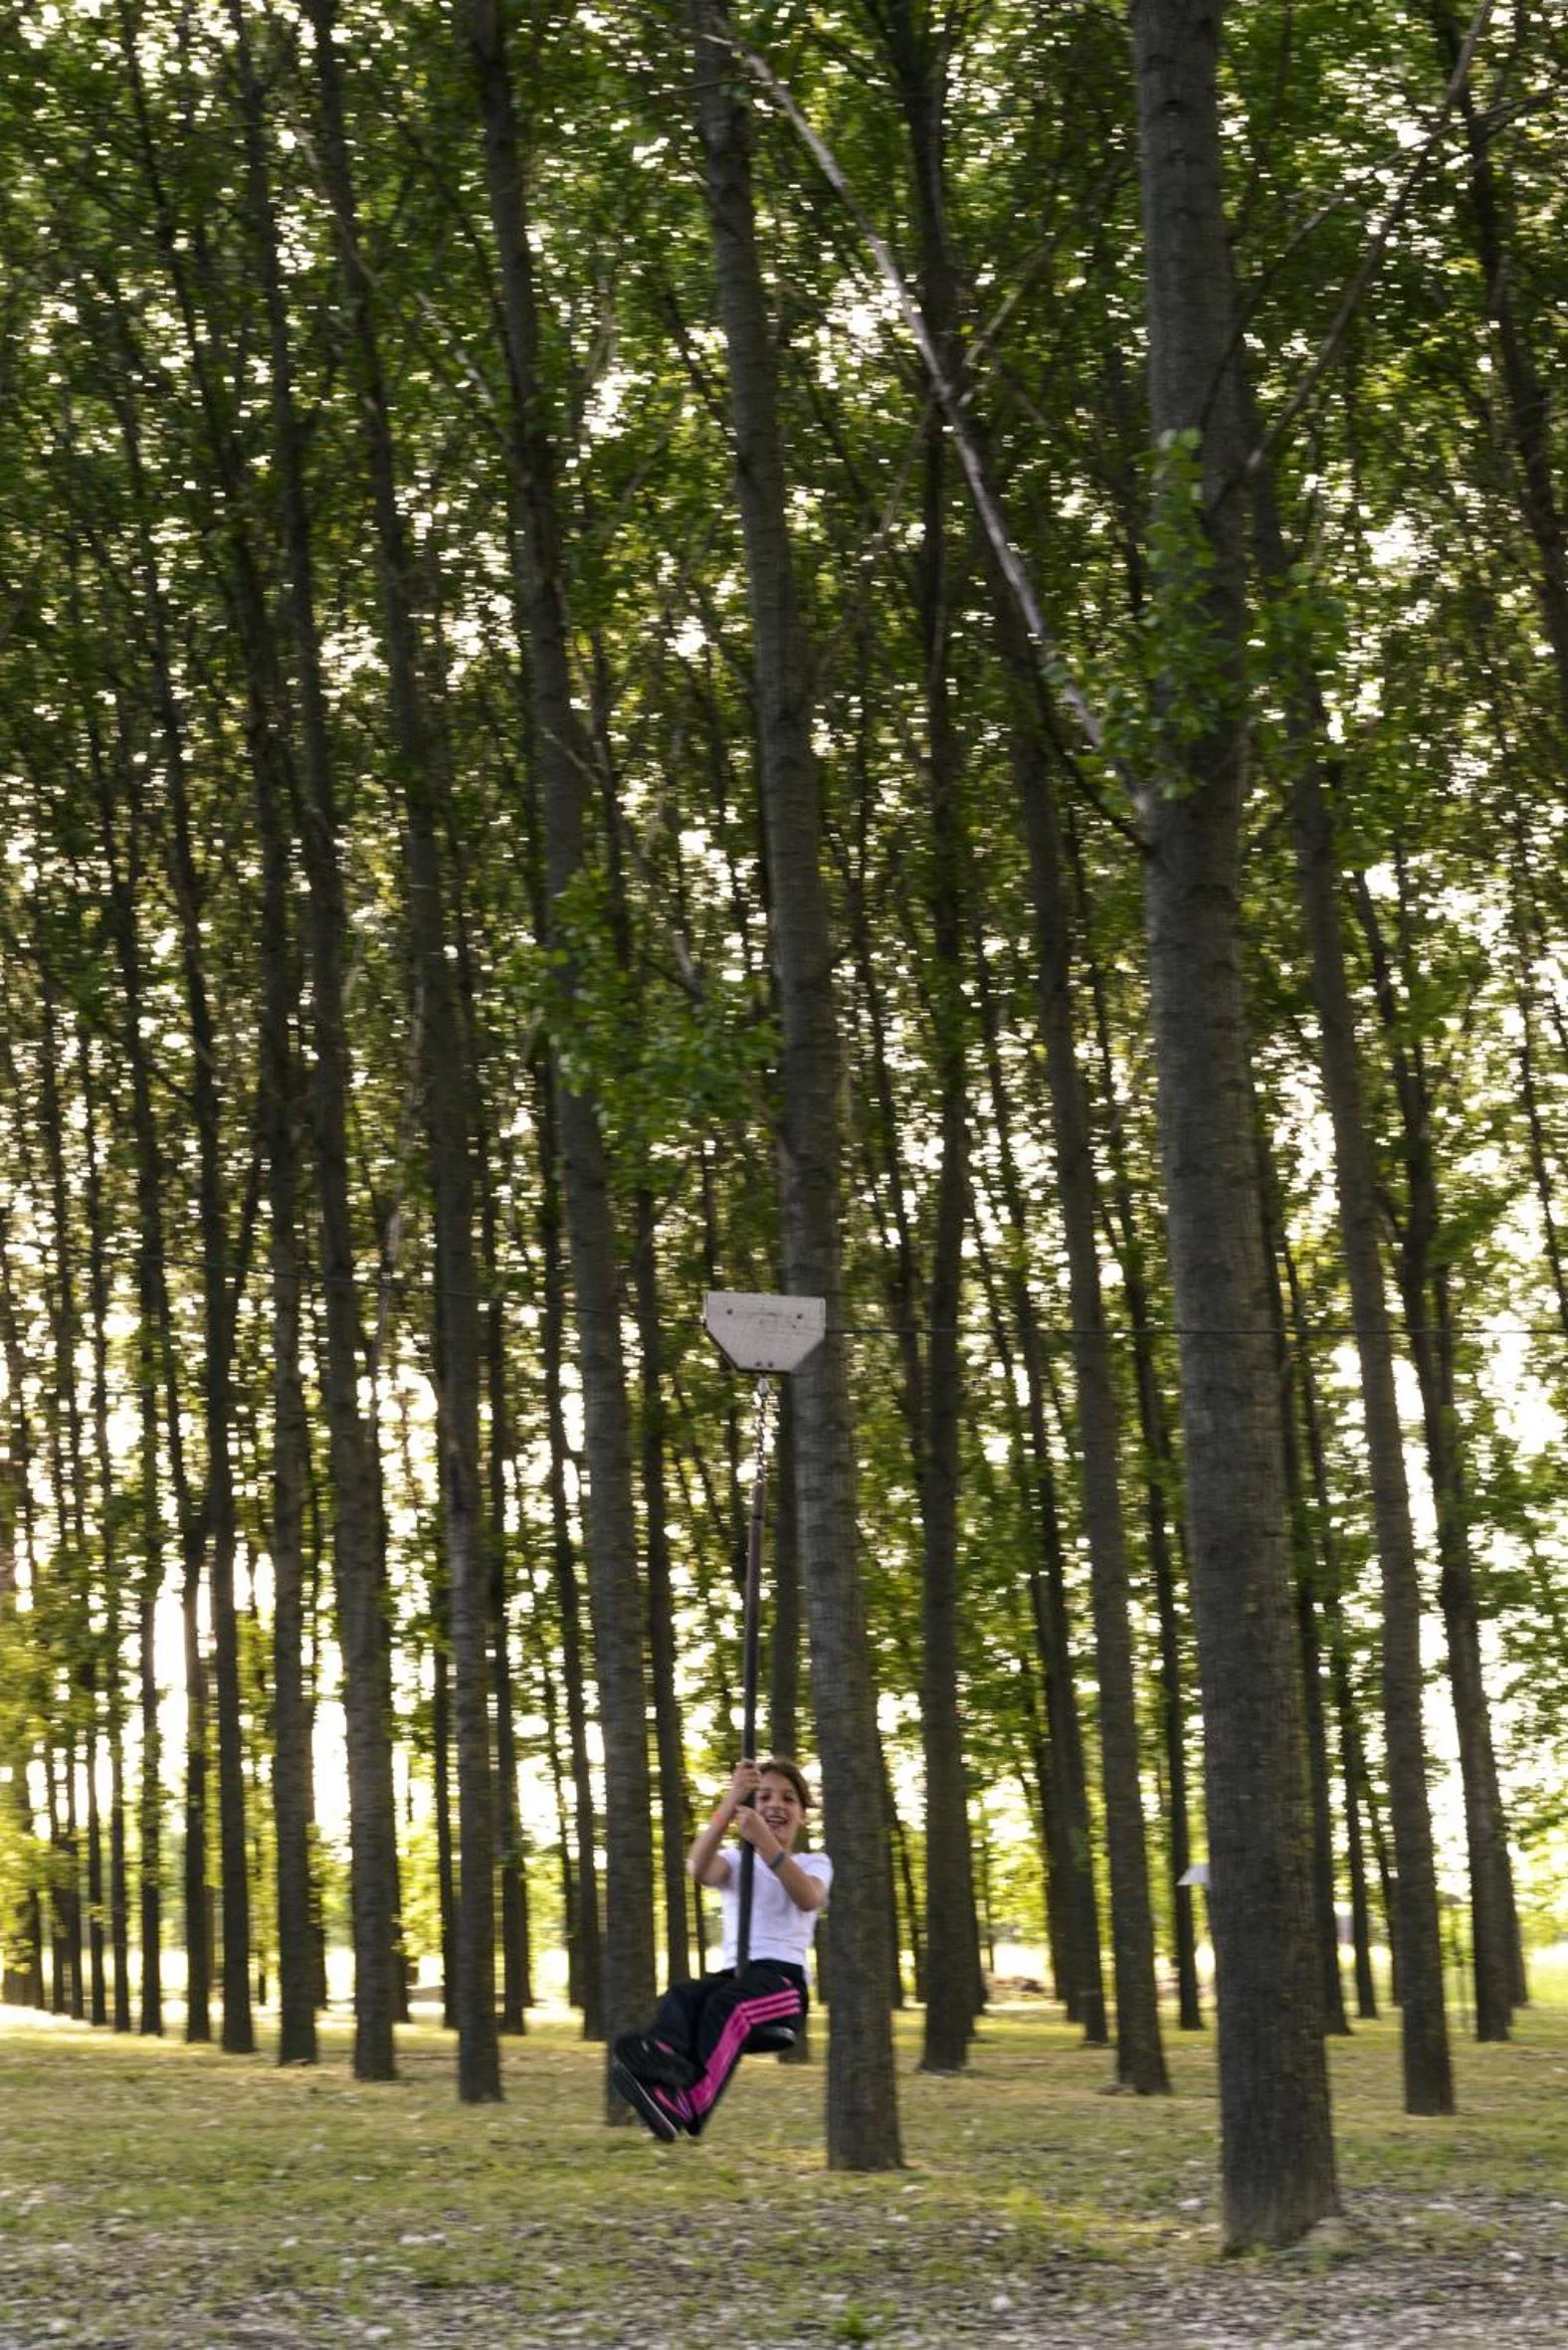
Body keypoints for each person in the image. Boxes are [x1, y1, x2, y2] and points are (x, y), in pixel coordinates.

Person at [611, 1755, 831, 2141]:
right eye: (763, 1797)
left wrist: (765, 1842)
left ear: (803, 1814)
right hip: (737, 1975)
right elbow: (698, 1868)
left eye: (787, 1798)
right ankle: (663, 2064)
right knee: (685, 1995)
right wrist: (732, 1799)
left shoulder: (814, 1862)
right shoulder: (735, 1861)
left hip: (782, 1986)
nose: (775, 1805)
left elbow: (808, 1898)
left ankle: (690, 2102)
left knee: (729, 2006)